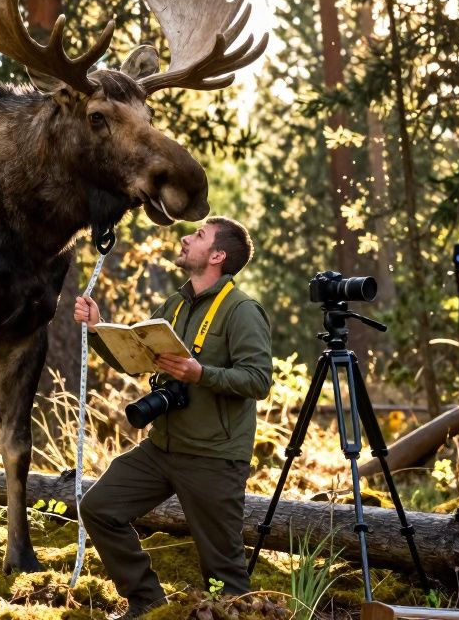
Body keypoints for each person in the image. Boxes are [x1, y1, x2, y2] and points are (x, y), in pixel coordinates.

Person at [74, 217, 272, 618]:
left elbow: (258, 380)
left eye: (198, 235)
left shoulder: (243, 310)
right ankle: (147, 602)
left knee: (224, 574)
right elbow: (135, 359)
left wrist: (201, 374)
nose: (185, 237)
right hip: (161, 448)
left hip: (214, 458)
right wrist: (98, 329)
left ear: (218, 256)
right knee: (99, 507)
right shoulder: (176, 303)